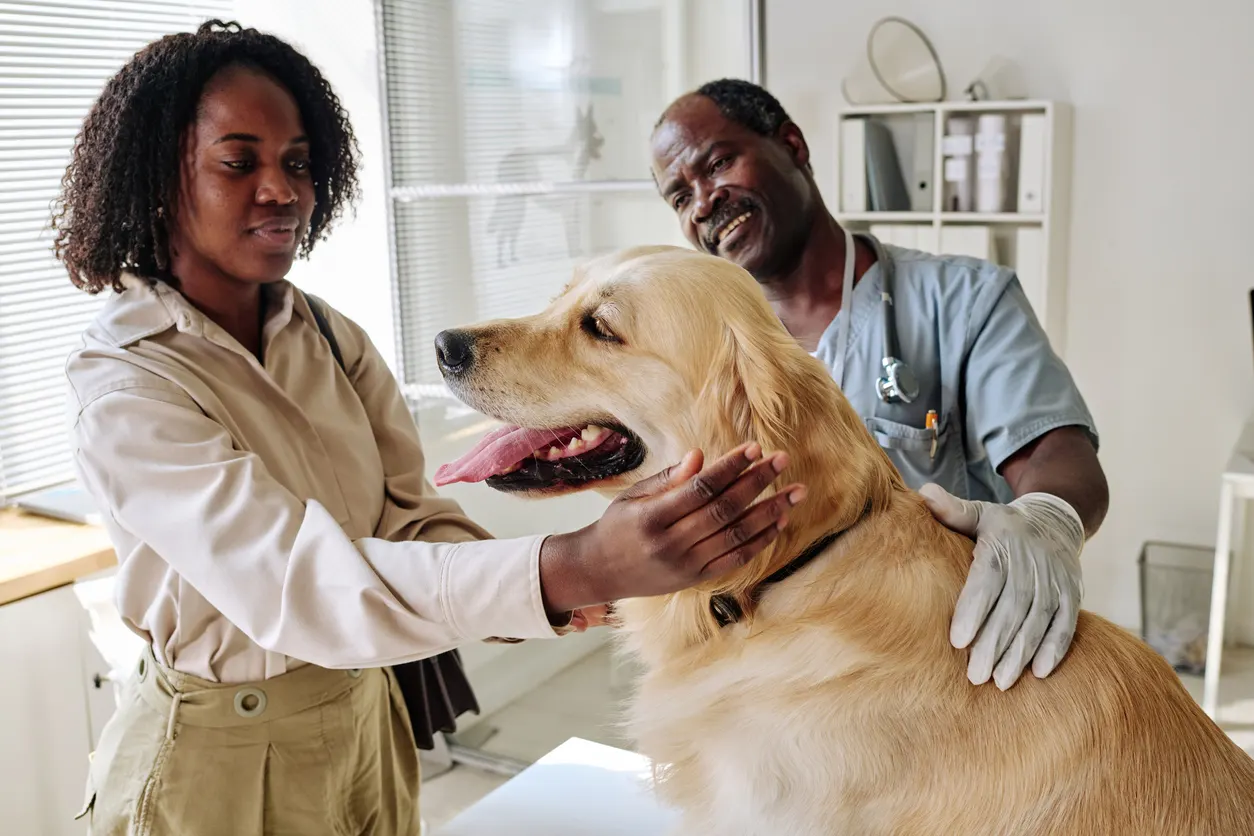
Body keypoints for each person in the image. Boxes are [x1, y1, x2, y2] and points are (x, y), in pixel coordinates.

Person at [53, 23, 802, 835]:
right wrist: (568, 567)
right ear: (159, 180)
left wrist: (552, 590)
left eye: (298, 163)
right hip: (213, 759)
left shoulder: (330, 339)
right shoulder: (127, 383)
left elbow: (406, 519)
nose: (283, 190)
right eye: (240, 162)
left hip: (366, 721)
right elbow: (294, 585)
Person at [650, 79, 1110, 693]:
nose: (704, 202)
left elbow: (1057, 454)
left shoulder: (965, 301)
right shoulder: (705, 354)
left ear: (792, 144)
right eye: (680, 196)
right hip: (779, 672)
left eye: (718, 163)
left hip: (943, 661)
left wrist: (1046, 518)